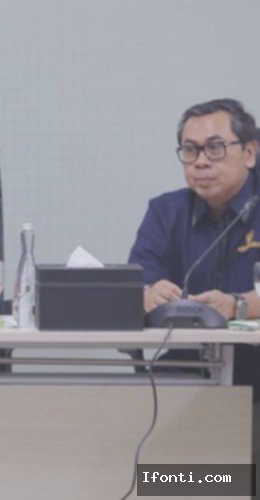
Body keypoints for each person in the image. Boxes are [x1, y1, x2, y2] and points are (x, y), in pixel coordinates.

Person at [128, 98, 260, 403]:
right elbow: (135, 284)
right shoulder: (166, 212)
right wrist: (147, 295)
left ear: (249, 153)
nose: (200, 162)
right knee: (135, 405)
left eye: (215, 148)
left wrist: (237, 306)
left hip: (256, 367)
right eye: (190, 150)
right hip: (189, 367)